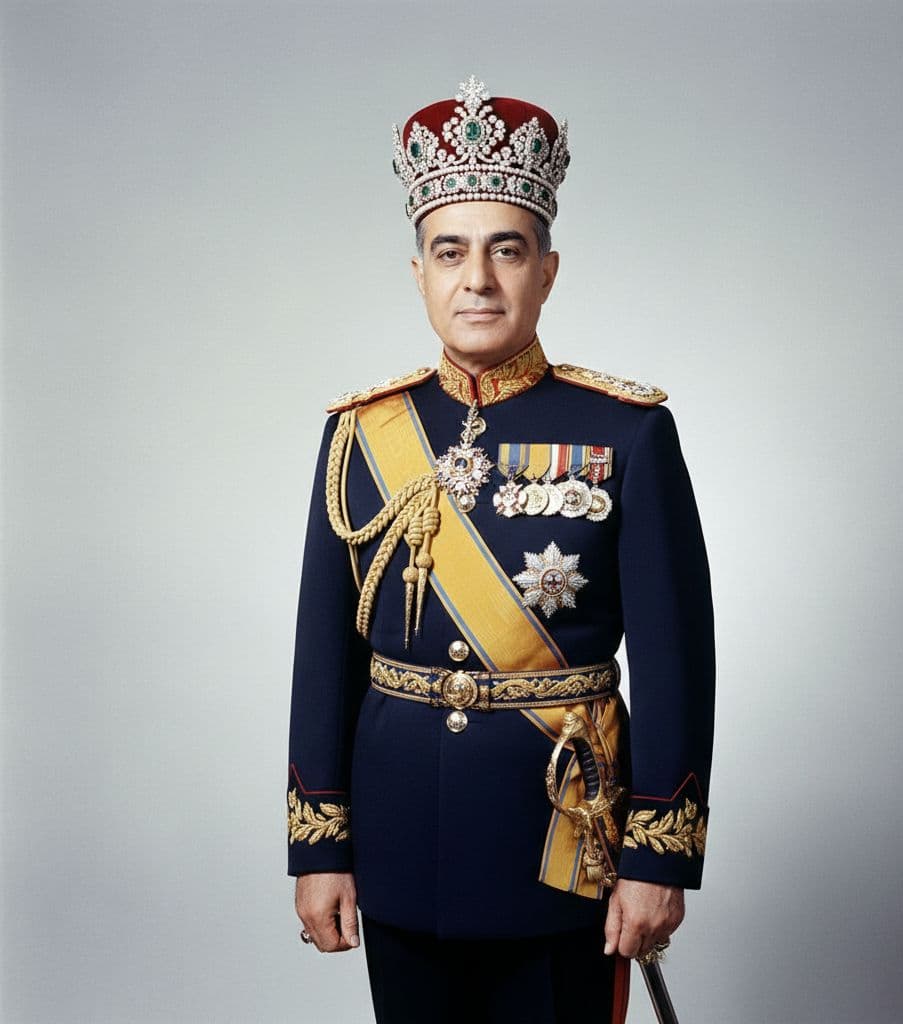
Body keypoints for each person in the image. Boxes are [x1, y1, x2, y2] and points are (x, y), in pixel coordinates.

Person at [287, 74, 715, 1023]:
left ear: (547, 271)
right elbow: (324, 657)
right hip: (397, 845)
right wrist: (320, 846)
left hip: (559, 849)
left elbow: (678, 664)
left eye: (505, 250)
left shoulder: (628, 435)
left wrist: (658, 858)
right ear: (420, 274)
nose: (476, 279)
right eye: (450, 252)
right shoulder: (359, 436)